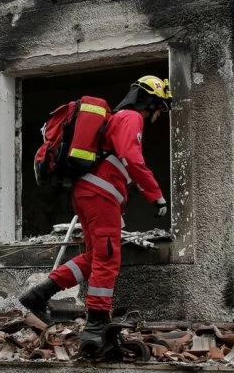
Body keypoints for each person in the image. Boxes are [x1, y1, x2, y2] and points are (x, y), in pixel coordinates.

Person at [19, 75, 172, 356]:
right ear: (150, 102)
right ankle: (96, 326)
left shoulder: (117, 119)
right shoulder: (130, 118)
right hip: (101, 196)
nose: (158, 116)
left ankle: (39, 294)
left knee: (94, 257)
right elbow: (132, 157)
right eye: (160, 109)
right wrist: (156, 195)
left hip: (89, 194)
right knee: (109, 256)